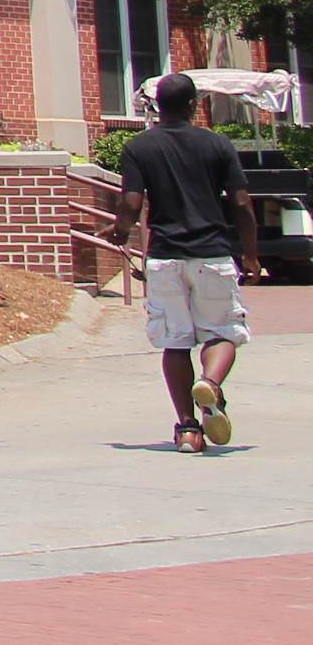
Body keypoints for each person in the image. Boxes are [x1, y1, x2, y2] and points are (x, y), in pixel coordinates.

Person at [110, 72, 265, 453]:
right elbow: (241, 203)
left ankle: (189, 431)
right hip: (211, 253)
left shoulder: (139, 147)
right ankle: (210, 386)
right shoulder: (217, 144)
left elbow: (131, 203)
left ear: (157, 106)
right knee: (223, 332)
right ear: (194, 104)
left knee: (175, 343)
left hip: (164, 257)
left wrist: (120, 231)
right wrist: (250, 254)